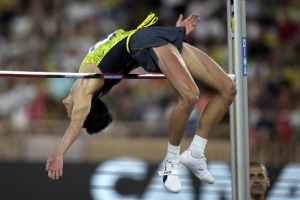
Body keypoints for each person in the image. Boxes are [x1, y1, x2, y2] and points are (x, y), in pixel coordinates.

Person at [46, 12, 236, 194]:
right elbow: (77, 122)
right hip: (148, 42)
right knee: (191, 96)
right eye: (71, 112)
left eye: (70, 113)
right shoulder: (87, 88)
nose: (68, 110)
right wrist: (59, 152)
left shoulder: (87, 79)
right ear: (85, 107)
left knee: (228, 89)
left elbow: (77, 121)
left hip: (147, 38)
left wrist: (173, 34)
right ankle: (172, 163)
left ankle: (195, 153)